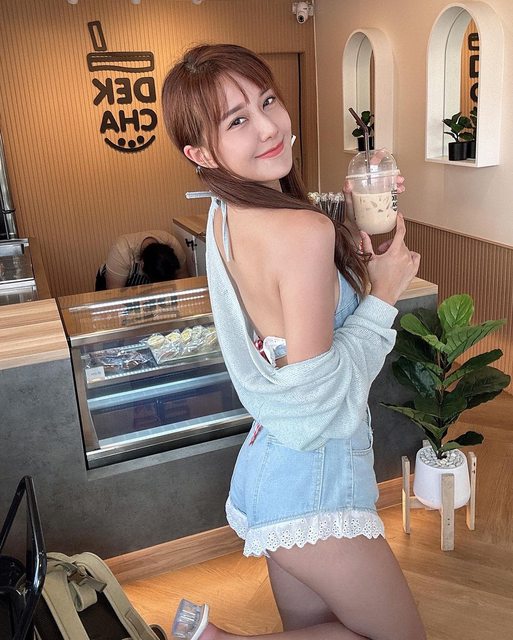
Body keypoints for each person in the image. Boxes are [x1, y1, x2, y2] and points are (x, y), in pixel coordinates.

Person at [161, 44, 425, 640]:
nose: (268, 127)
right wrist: (384, 294)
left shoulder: (224, 213)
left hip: (273, 472)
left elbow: (288, 305)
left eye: (267, 101)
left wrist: (356, 247)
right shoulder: (300, 230)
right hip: (314, 480)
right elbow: (318, 400)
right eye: (237, 120)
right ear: (200, 152)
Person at [95, 230, 188, 290]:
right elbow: (114, 295)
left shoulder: (173, 245)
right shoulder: (121, 250)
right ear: (142, 264)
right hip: (115, 282)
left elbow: (184, 280)